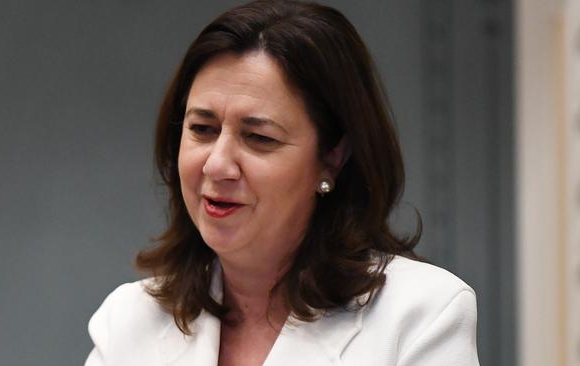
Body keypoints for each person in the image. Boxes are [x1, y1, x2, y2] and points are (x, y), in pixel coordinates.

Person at [84, 1, 479, 365]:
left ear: (332, 158)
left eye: (259, 138)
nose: (217, 165)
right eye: (202, 129)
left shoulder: (421, 314)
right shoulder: (128, 321)